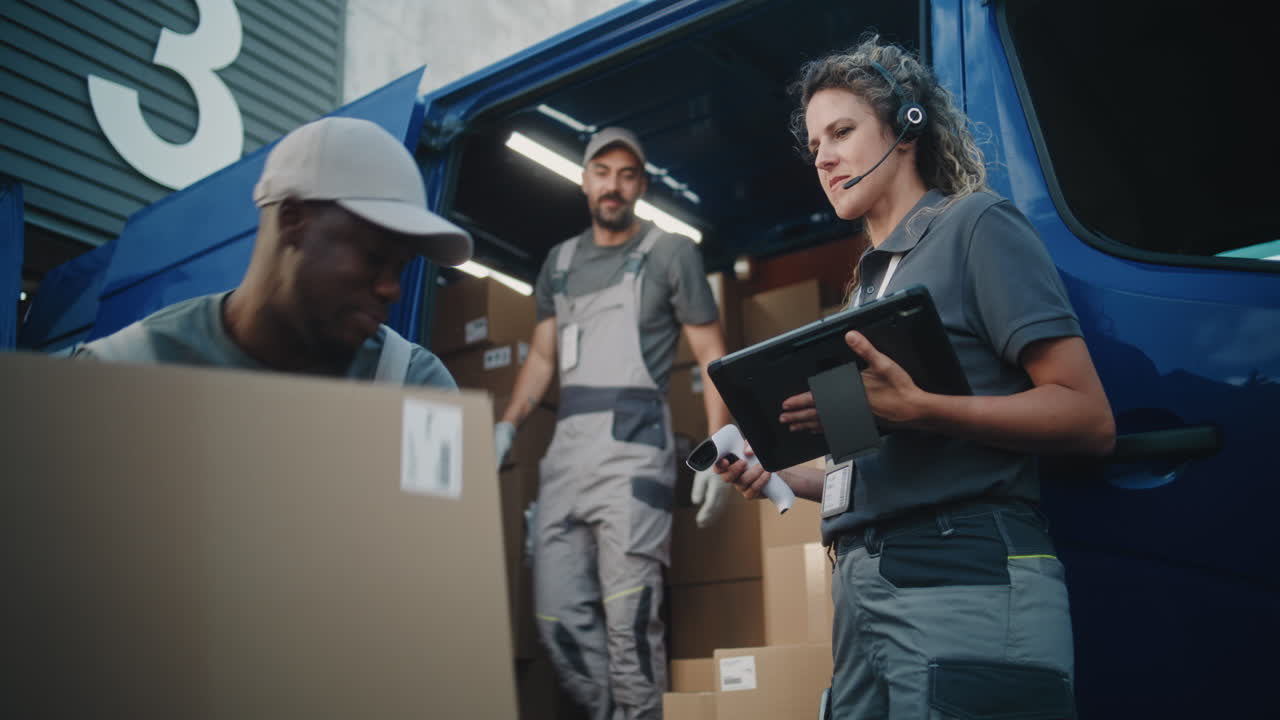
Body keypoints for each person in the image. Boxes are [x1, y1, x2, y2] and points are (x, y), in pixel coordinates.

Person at [716, 36, 1116, 719]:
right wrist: (781, 475)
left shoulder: (975, 226)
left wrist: (924, 407)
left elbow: (1089, 419)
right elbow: (867, 466)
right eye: (815, 146)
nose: (825, 158)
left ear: (905, 127)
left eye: (842, 132)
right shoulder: (864, 294)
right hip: (863, 595)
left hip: (960, 578)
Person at [493, 127, 732, 719]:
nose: (614, 186)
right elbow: (544, 357)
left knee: (629, 618)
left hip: (633, 453)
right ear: (584, 180)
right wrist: (508, 425)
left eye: (628, 175)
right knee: (556, 619)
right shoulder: (561, 262)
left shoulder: (670, 253)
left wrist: (721, 446)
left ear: (641, 186)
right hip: (567, 455)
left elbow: (712, 356)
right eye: (603, 172)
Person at [76, 116, 472, 388]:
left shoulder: (412, 385)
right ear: (292, 219)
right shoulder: (115, 373)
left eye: (400, 268)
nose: (391, 289)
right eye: (374, 257)